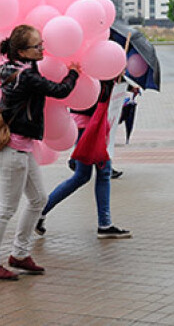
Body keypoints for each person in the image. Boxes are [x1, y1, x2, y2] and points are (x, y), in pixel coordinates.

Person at [0, 24, 79, 281]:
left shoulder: (9, 66)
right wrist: (73, 73)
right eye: (38, 46)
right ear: (23, 51)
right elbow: (60, 91)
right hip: (12, 150)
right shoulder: (26, 77)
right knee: (5, 209)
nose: (43, 48)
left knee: (38, 200)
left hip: (20, 149)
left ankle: (20, 254)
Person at [36, 80, 132, 240]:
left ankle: (40, 212)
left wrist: (124, 86)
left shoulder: (95, 70)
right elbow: (96, 96)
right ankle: (104, 224)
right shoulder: (98, 73)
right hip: (91, 126)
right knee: (101, 173)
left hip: (89, 124)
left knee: (84, 175)